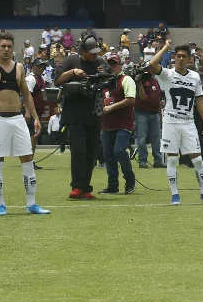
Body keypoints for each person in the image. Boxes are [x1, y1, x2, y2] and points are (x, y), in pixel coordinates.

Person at [0, 19, 48, 215]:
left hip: (17, 118)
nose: (6, 49)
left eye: (9, 46)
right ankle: (1, 204)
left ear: (13, 49)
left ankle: (31, 203)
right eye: (3, 46)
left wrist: (36, 117)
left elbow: (27, 95)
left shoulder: (20, 68)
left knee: (27, 159)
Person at [148, 39, 203, 205]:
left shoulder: (195, 77)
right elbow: (152, 63)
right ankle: (175, 195)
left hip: (188, 123)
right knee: (172, 159)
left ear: (189, 59)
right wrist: (165, 47)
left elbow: (199, 99)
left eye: (183, 56)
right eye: (177, 56)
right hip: (170, 122)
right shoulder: (167, 74)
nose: (179, 59)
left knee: (198, 158)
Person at [55, 35, 108, 199]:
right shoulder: (72, 61)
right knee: (79, 151)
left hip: (94, 113)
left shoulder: (100, 63)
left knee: (91, 153)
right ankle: (77, 186)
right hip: (75, 114)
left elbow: (110, 81)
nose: (95, 55)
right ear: (83, 52)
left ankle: (85, 187)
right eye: (91, 52)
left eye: (96, 52)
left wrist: (104, 74)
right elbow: (57, 80)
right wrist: (72, 72)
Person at [99, 54, 136, 194]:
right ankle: (112, 186)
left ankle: (130, 180)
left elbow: (131, 99)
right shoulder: (104, 82)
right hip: (107, 124)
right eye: (109, 64)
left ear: (120, 65)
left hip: (123, 123)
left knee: (119, 151)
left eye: (114, 63)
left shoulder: (126, 79)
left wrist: (111, 107)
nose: (112, 66)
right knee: (108, 155)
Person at [133, 68, 164, 168]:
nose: (149, 72)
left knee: (156, 138)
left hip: (154, 113)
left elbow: (158, 98)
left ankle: (158, 161)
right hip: (141, 113)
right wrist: (139, 83)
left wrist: (160, 114)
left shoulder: (155, 81)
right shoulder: (138, 82)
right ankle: (142, 161)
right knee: (141, 138)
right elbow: (143, 97)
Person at [24, 58, 49, 168]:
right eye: (39, 66)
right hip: (32, 112)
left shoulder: (40, 78)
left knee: (34, 136)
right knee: (33, 136)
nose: (41, 68)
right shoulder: (31, 79)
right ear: (33, 67)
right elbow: (26, 96)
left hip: (37, 112)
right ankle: (29, 161)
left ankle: (30, 160)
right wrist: (28, 112)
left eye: (43, 66)